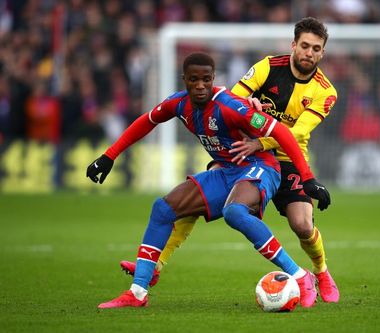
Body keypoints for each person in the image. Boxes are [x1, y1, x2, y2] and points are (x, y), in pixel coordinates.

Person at [120, 17, 341, 303]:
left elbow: (297, 132)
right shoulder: (267, 67)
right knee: (192, 202)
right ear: (293, 46)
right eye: (305, 46)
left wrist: (259, 141)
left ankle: (321, 272)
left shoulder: (326, 91)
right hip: (243, 151)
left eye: (316, 49)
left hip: (285, 156)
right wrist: (248, 106)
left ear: (322, 53)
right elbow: (232, 97)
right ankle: (155, 266)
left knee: (301, 225)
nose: (309, 53)